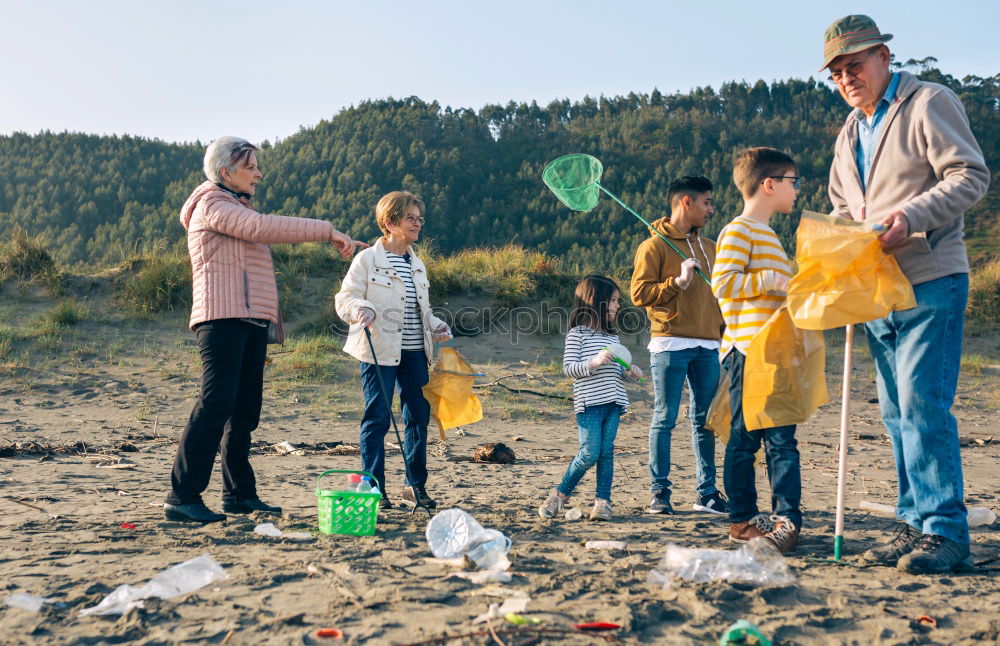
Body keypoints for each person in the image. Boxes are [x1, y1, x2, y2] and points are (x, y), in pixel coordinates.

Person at [822, 15, 989, 573]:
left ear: (883, 57)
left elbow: (969, 176)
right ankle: (912, 523)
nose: (847, 77)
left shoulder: (928, 102)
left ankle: (945, 531)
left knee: (922, 404)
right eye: (838, 72)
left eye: (855, 64)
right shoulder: (848, 133)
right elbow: (844, 212)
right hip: (876, 294)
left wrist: (910, 218)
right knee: (896, 413)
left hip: (932, 277)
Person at [165, 136, 366, 523]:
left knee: (243, 412)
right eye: (251, 166)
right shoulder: (212, 203)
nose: (259, 173)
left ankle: (238, 494)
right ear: (227, 171)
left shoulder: (234, 204)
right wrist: (327, 231)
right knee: (215, 403)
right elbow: (261, 228)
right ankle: (182, 495)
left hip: (249, 320)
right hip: (221, 319)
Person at [335, 191, 451, 510]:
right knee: (378, 417)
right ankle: (372, 489)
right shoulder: (367, 260)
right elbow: (344, 299)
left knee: (418, 416)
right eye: (410, 218)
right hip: (378, 351)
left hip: (416, 352)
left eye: (419, 218)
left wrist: (437, 324)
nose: (417, 223)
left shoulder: (417, 263)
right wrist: (360, 307)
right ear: (390, 222)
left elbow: (422, 310)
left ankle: (414, 486)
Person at [711, 147, 802, 554]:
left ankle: (785, 521)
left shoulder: (770, 235)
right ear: (769, 185)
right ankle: (744, 522)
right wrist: (770, 279)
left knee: (782, 439)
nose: (796, 190)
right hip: (747, 350)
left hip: (775, 352)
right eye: (792, 181)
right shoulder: (739, 230)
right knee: (747, 440)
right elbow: (723, 284)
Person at [631, 176, 727, 516]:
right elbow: (639, 294)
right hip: (670, 343)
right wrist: (678, 282)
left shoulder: (712, 247)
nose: (710, 209)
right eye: (706, 202)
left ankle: (707, 494)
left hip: (709, 347)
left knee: (706, 421)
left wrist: (724, 334)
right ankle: (660, 493)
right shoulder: (653, 246)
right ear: (686, 202)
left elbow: (721, 298)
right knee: (665, 418)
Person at [538, 275, 643, 522]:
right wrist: (593, 363)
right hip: (589, 405)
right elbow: (569, 368)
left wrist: (630, 373)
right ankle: (559, 496)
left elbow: (618, 371)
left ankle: (603, 503)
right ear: (596, 302)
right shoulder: (578, 335)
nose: (618, 306)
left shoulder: (612, 337)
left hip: (614, 403)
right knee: (589, 453)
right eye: (614, 300)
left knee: (606, 453)